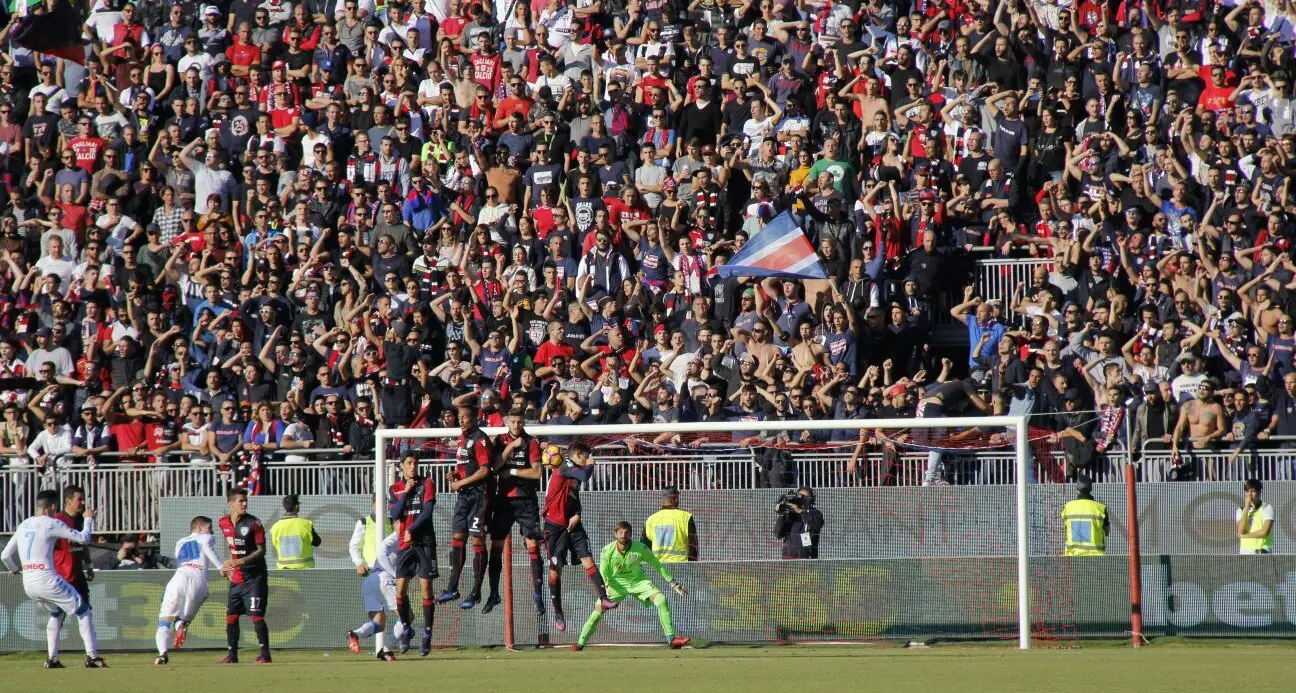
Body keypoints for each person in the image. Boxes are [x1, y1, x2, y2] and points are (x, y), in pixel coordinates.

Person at [1, 490, 105, 669]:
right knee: (84, 610)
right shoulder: (51, 523)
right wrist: (88, 519)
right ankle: (93, 657)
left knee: (56, 613)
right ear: (53, 507)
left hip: (29, 583)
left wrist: (15, 569)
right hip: (47, 579)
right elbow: (83, 538)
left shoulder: (24, 524)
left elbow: (5, 555)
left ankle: (52, 659)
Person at [572, 520, 690, 651]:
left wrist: (673, 583)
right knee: (597, 613)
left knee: (661, 599)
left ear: (631, 535)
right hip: (615, 585)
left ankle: (671, 640)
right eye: (620, 532)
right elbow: (603, 572)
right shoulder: (607, 550)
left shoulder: (640, 548)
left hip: (638, 582)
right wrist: (605, 589)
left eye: (626, 532)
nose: (623, 534)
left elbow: (657, 565)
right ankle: (579, 645)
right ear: (615, 534)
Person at [541, 440, 616, 632]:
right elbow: (584, 475)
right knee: (555, 571)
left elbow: (574, 497)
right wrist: (590, 464)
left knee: (588, 559)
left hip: (573, 524)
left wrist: (577, 514)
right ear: (577, 455)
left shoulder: (571, 473)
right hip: (555, 527)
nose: (587, 460)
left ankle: (604, 598)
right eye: (585, 456)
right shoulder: (566, 466)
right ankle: (558, 612)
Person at [486, 409, 545, 617]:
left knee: (533, 545)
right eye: (513, 422)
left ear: (523, 423)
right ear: (507, 422)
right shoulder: (500, 441)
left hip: (526, 499)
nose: (516, 425)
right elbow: (494, 466)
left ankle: (538, 595)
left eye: (519, 422)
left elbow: (537, 472)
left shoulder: (532, 442)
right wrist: (511, 446)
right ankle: (494, 593)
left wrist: (511, 471)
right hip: (503, 500)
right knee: (496, 546)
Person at [437, 405, 494, 609]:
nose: (461, 421)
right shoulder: (462, 438)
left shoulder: (479, 439)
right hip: (464, 496)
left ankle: (476, 591)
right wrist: (456, 475)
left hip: (479, 496)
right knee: (458, 537)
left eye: (465, 417)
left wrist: (461, 482)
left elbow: (485, 470)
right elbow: (467, 467)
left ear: (474, 418)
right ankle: (452, 588)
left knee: (477, 540)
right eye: (459, 417)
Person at [155, 515, 223, 665]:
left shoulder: (180, 542)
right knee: (184, 618)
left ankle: (162, 654)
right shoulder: (207, 538)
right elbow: (207, 549)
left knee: (164, 621)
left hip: (178, 578)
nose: (211, 532)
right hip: (198, 580)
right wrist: (220, 567)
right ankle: (181, 624)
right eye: (209, 528)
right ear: (199, 528)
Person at [388, 453, 438, 657]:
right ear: (401, 466)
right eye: (409, 463)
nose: (413, 466)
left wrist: (413, 529)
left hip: (424, 542)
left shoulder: (427, 482)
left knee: (426, 589)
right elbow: (394, 514)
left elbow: (427, 511)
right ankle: (407, 629)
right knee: (400, 590)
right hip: (404, 545)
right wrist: (405, 493)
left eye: (415, 463)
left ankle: (427, 636)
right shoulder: (395, 489)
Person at [218, 487, 271, 664]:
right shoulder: (223, 523)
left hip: (255, 577)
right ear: (230, 504)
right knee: (231, 616)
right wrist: (227, 565)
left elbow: (261, 550)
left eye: (245, 500)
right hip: (237, 578)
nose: (245, 503)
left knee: (256, 616)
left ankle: (265, 654)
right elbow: (231, 546)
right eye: (240, 501)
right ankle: (232, 655)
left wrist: (242, 561)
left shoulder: (254, 523)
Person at [345, 519, 400, 661]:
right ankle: (387, 650)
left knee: (379, 623)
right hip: (384, 579)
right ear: (395, 525)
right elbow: (381, 554)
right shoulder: (396, 538)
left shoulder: (396, 537)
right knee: (407, 617)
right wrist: (394, 575)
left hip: (371, 580)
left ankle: (354, 634)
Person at [52, 485, 93, 619]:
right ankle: (53, 640)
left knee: (86, 611)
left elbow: (84, 543)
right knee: (58, 615)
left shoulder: (80, 519)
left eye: (82, 500)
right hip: (62, 575)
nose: (82, 503)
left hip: (78, 574)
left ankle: (89, 640)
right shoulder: (57, 520)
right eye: (79, 499)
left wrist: (89, 564)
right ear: (68, 501)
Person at [642, 486, 698, 562]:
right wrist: (692, 566)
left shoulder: (651, 519)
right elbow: (693, 546)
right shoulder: (686, 517)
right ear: (674, 498)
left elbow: (644, 548)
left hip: (658, 567)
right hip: (681, 567)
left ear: (662, 499)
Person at [270, 494, 322, 569]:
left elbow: (275, 544)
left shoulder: (275, 527)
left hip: (284, 571)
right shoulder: (306, 524)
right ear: (296, 506)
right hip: (306, 570)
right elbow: (317, 542)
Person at [1061, 476, 1109, 556]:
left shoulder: (1068, 507)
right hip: (1097, 558)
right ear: (1091, 489)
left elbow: (1066, 529)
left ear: (1077, 489)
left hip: (1072, 557)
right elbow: (1107, 532)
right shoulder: (1100, 508)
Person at [774, 487, 823, 559]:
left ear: (810, 499)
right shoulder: (790, 514)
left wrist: (801, 511)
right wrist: (782, 515)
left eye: (803, 497)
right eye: (799, 497)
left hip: (807, 559)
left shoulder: (815, 513)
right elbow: (778, 534)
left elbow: (817, 524)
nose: (801, 499)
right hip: (788, 559)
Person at [1237, 479, 1275, 555]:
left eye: (1253, 491)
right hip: (1245, 551)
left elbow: (1264, 532)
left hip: (1261, 550)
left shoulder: (1266, 508)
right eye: (1247, 491)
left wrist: (1245, 536)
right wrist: (1247, 506)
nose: (1250, 495)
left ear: (1259, 493)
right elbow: (1241, 531)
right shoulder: (1241, 510)